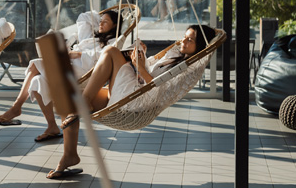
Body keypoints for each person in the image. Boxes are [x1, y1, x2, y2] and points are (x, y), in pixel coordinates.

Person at [46, 24, 215, 179]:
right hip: (134, 90)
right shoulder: (175, 56)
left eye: (190, 39)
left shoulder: (186, 69)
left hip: (136, 100)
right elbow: (150, 72)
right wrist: (139, 58)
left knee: (111, 52)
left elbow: (159, 91)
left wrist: (139, 67)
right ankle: (70, 155)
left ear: (200, 46)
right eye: (184, 36)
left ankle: (83, 104)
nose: (183, 41)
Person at [0, 10, 123, 142]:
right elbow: (84, 17)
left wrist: (78, 54)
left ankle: (16, 107)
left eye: (105, 22)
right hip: (68, 65)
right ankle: (52, 127)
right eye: (100, 21)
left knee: (35, 65)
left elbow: (106, 58)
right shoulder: (91, 35)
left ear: (115, 25)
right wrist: (100, 17)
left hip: (85, 71)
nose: (101, 24)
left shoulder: (114, 40)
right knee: (37, 81)